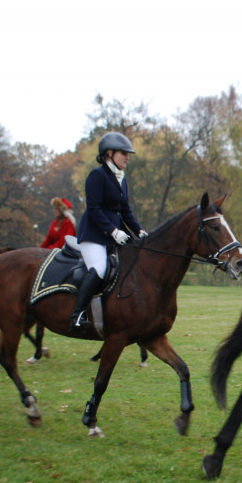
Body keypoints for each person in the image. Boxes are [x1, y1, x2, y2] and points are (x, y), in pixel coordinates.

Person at [69, 131, 147, 332]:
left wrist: (139, 231)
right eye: (124, 153)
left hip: (114, 236)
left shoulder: (121, 179)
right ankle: (77, 315)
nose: (128, 157)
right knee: (100, 270)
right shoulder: (97, 176)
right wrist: (113, 231)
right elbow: (94, 209)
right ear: (109, 153)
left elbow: (125, 211)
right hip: (94, 235)